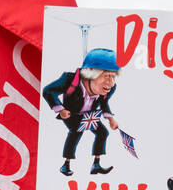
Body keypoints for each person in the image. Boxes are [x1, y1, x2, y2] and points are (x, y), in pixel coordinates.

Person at [42, 47, 120, 177]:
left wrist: (110, 119)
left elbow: (104, 103)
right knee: (76, 132)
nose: (110, 83)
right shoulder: (69, 80)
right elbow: (48, 91)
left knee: (102, 132)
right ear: (90, 74)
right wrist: (61, 109)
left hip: (89, 116)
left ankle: (96, 164)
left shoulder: (107, 89)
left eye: (113, 76)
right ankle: (66, 165)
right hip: (72, 114)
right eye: (106, 75)